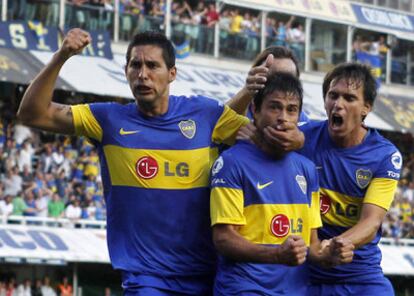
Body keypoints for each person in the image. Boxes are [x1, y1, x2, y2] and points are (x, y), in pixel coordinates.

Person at [17, 28, 248, 295]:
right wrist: (62, 55)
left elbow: (264, 139)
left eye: (152, 65)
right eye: (135, 65)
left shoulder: (205, 114)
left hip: (209, 274)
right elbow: (32, 113)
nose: (142, 74)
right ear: (125, 71)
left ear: (172, 73)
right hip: (146, 277)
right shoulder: (107, 120)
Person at [239, 62, 402, 295]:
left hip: (359, 275)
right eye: (333, 95)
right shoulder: (301, 136)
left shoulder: (384, 155)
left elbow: (371, 222)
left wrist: (335, 244)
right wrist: (256, 135)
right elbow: (246, 127)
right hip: (304, 275)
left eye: (349, 98)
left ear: (366, 107)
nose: (338, 104)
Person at [210, 72, 353, 295]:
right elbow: (224, 239)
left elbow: (311, 244)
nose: (283, 117)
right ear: (255, 111)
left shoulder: (306, 169)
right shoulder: (231, 163)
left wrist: (327, 255)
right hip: (246, 288)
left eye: (291, 110)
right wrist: (276, 254)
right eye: (274, 107)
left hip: (294, 289)